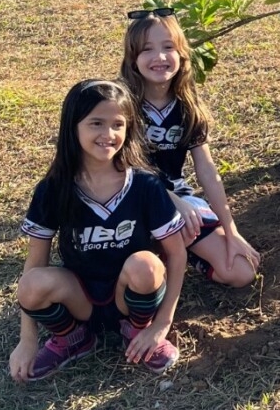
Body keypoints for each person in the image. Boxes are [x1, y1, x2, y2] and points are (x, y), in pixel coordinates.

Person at [10, 80, 187, 382]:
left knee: (146, 264)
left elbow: (176, 254)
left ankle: (138, 329)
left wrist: (161, 325)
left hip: (129, 294)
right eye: (96, 123)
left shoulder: (145, 185)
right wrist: (27, 339)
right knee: (30, 284)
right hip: (80, 298)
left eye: (118, 124)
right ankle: (72, 339)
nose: (108, 135)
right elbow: (35, 263)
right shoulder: (54, 188)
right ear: (73, 126)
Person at [120, 7, 260, 287]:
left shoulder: (188, 106)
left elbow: (206, 170)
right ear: (132, 58)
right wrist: (173, 202)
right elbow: (122, 168)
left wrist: (231, 232)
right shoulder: (121, 104)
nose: (159, 57)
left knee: (241, 272)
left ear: (182, 53)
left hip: (179, 200)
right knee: (143, 275)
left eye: (168, 47)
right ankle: (157, 254)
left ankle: (181, 254)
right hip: (129, 201)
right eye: (147, 49)